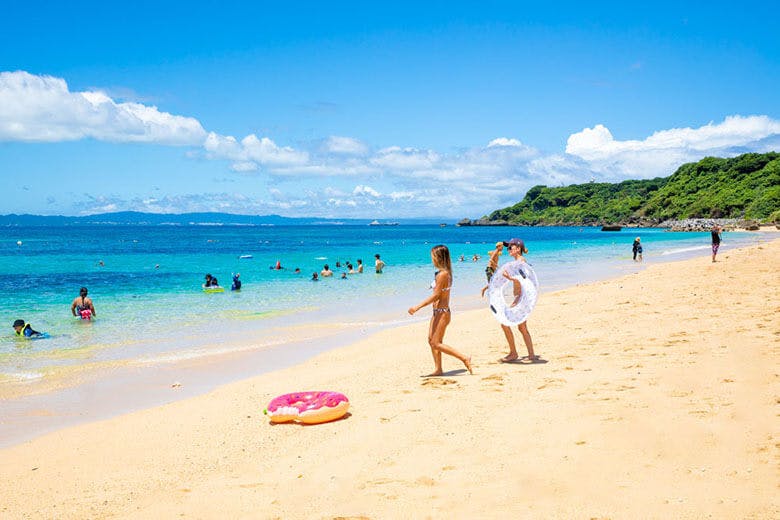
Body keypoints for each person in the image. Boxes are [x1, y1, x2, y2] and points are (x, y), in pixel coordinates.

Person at [408, 245, 472, 377]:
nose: (431, 259)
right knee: (431, 340)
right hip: (438, 312)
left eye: (433, 257)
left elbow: (436, 295)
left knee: (435, 343)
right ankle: (438, 369)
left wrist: (417, 307)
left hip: (442, 312)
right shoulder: (443, 273)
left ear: (438, 257)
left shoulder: (443, 274)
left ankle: (464, 358)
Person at [497, 238, 536, 363]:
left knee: (505, 322)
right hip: (520, 297)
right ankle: (531, 355)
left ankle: (514, 353)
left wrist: (511, 278)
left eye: (510, 247)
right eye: (508, 247)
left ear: (518, 249)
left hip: (521, 298)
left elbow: (524, 279)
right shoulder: (517, 262)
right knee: (522, 327)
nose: (508, 250)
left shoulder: (521, 261)